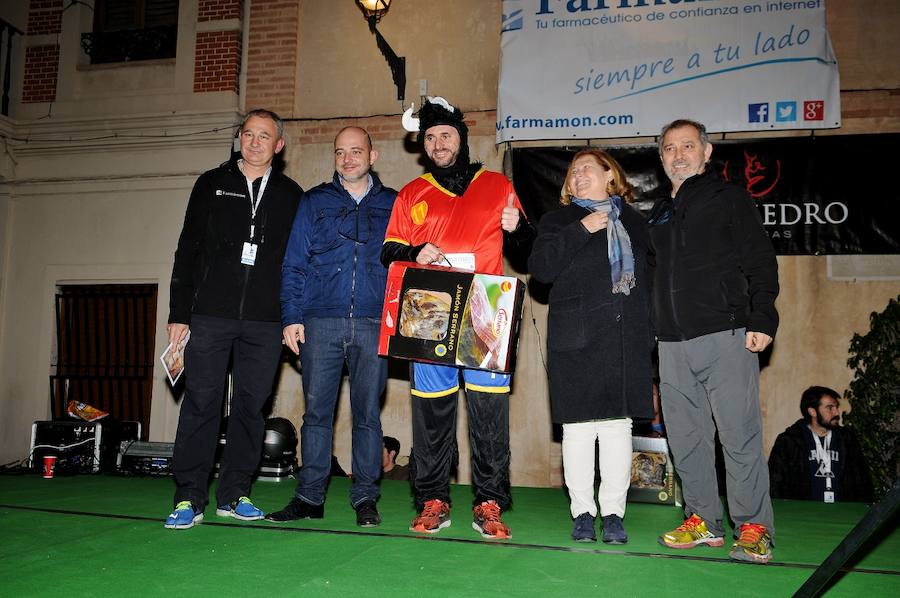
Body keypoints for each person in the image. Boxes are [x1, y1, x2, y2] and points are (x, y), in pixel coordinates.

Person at [381, 96, 534, 539]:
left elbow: (527, 252)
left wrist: (518, 228)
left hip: (485, 309)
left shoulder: (498, 186)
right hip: (428, 310)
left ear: (461, 138)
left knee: (488, 413)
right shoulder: (412, 193)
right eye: (430, 137)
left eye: (445, 135)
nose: (438, 143)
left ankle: (489, 503)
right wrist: (413, 251)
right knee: (432, 414)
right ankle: (433, 499)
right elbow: (388, 251)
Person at [647, 118, 780, 563]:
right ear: (661, 158)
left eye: (688, 146)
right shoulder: (659, 213)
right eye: (669, 148)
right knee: (685, 439)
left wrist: (762, 316)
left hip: (726, 333)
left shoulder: (728, 198)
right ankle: (703, 519)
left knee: (739, 436)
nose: (678, 154)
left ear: (707, 153)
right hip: (671, 343)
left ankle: (754, 527)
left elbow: (760, 259)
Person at [164, 109, 302, 529]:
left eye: (264, 136)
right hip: (209, 316)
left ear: (278, 145)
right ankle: (189, 497)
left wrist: (289, 317)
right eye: (248, 134)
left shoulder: (292, 194)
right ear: (239, 139)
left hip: (264, 321)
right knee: (201, 404)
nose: (255, 141)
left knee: (250, 409)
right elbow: (187, 248)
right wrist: (178, 313)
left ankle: (235, 493)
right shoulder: (211, 183)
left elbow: (296, 263)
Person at [266, 127, 397, 528]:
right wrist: (291, 317)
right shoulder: (313, 201)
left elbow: (409, 264)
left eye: (356, 151)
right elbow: (293, 264)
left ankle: (365, 499)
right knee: (316, 415)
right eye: (340, 152)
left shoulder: (396, 203)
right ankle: (309, 497)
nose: (348, 159)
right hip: (319, 320)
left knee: (367, 416)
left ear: (372, 156)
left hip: (374, 321)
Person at [529, 149, 654, 544]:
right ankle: (583, 511)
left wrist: (648, 333)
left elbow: (647, 282)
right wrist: (581, 229)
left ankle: (614, 514)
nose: (578, 176)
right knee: (579, 430)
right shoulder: (558, 221)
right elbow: (542, 270)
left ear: (609, 176)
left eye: (587, 169)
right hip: (576, 339)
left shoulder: (635, 222)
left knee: (618, 429)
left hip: (624, 338)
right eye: (572, 172)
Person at [768, 386, 873, 503]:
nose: (837, 412)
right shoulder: (789, 441)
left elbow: (862, 482)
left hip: (842, 514)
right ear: (812, 411)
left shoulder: (847, 440)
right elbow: (774, 482)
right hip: (802, 515)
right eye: (830, 408)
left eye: (836, 407)